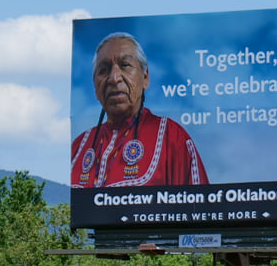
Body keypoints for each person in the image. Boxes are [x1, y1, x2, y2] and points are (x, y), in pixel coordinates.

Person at [70, 33, 209, 188]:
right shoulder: (78, 147)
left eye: (125, 65)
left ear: (145, 78)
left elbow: (199, 208)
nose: (114, 78)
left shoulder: (172, 138)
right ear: (95, 87)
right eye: (104, 70)